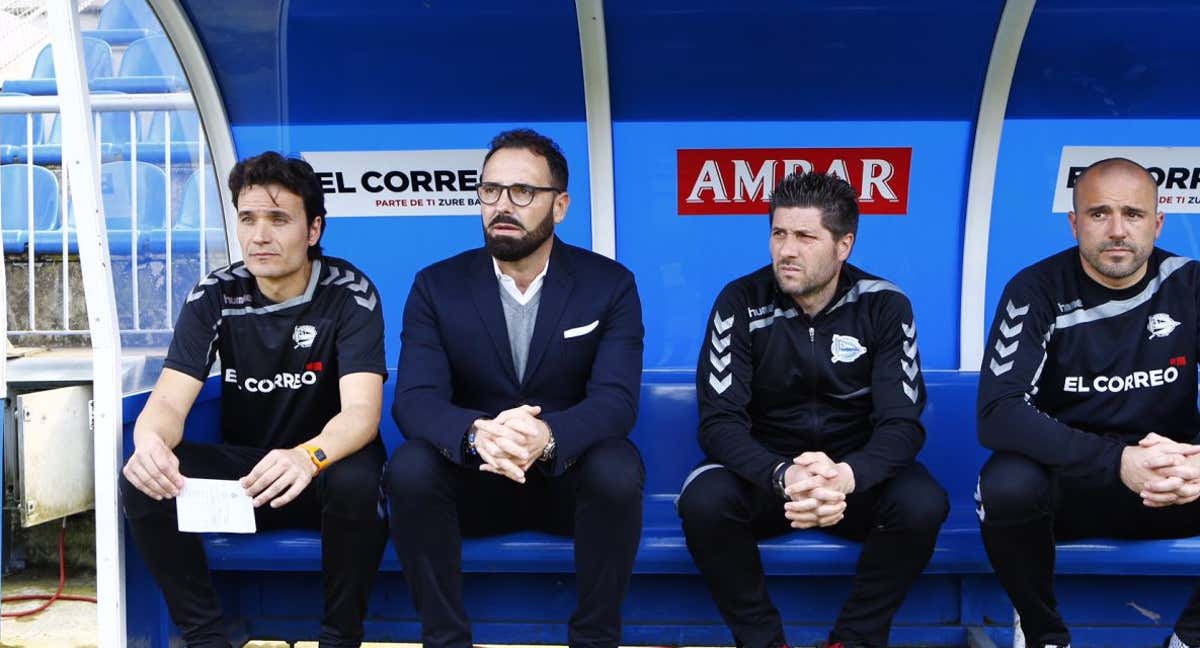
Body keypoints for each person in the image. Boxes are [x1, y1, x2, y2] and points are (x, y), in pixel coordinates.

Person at [384, 128, 645, 648]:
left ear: (561, 205)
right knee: (410, 467)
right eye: (490, 191)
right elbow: (414, 400)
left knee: (618, 466)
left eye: (522, 192)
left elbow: (616, 401)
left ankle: (595, 640)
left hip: (565, 483)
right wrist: (478, 436)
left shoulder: (609, 284)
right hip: (475, 479)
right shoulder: (436, 286)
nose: (502, 205)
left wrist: (544, 437)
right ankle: (445, 640)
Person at [120, 151, 389, 648]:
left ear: (313, 230)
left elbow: (361, 415)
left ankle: (339, 638)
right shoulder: (215, 294)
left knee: (358, 479)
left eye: (278, 219)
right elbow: (169, 402)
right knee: (143, 478)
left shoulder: (349, 292)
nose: (259, 235)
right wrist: (150, 441)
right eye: (248, 218)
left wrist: (306, 458)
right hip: (246, 482)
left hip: (321, 471)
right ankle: (205, 639)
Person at [677, 172, 948, 648]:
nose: (786, 250)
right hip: (767, 475)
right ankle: (762, 641)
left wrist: (847, 475)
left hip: (851, 479)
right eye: (779, 233)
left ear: (844, 245)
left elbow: (902, 425)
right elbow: (718, 423)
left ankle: (854, 640)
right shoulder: (740, 301)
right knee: (703, 501)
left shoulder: (885, 305)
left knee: (922, 503)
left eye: (805, 236)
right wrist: (782, 474)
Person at [977, 157, 1200, 648]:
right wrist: (1117, 460)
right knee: (1006, 486)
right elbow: (998, 413)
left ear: (1158, 222)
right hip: (1072, 487)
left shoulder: (1190, 285)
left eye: (1133, 215)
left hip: (1170, 484)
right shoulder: (1035, 289)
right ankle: (1044, 636)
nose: (1117, 230)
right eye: (1099, 214)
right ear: (1074, 222)